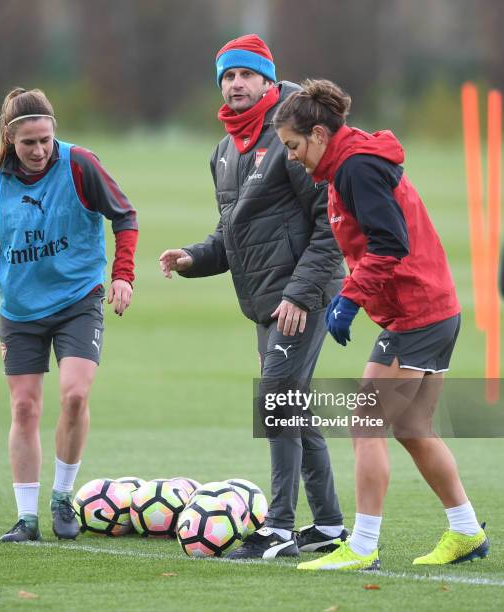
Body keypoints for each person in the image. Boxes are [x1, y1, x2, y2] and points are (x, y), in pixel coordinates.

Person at [273, 78, 490, 570]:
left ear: (321, 135)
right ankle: (466, 532)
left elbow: (390, 242)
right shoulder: (348, 162)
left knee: (363, 424)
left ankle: (363, 546)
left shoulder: (356, 168)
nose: (290, 157)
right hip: (432, 307)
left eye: (293, 146)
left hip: (417, 313)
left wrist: (350, 299)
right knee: (413, 427)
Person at [159, 35, 346, 560]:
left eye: (246, 74)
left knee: (277, 401)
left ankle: (280, 529)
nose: (235, 83)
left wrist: (302, 293)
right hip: (265, 300)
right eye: (227, 76)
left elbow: (329, 224)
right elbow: (231, 235)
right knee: (294, 409)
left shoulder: (291, 136)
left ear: (268, 80)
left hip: (302, 294)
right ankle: (329, 526)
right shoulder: (223, 152)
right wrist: (193, 258)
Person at [0, 88, 138, 543]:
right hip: (21, 310)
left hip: (78, 300)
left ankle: (62, 497)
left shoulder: (80, 163)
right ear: (10, 140)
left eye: (46, 139)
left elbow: (124, 217)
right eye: (29, 142)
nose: (40, 150)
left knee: (73, 396)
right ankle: (27, 519)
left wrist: (123, 276)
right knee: (24, 407)